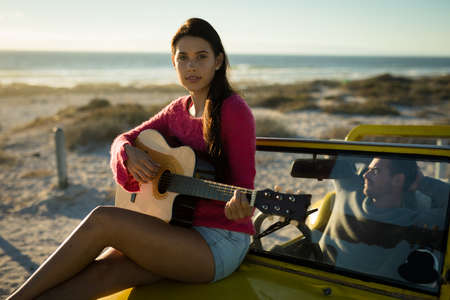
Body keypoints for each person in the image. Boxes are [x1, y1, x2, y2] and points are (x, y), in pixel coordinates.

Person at [8, 18, 256, 300]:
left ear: (218, 61)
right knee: (101, 274)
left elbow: (243, 188)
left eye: (201, 57)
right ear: (173, 64)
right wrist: (129, 153)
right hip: (174, 229)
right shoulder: (176, 110)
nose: (192, 66)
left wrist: (239, 208)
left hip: (217, 241)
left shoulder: (234, 111)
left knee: (103, 220)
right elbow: (122, 139)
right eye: (183, 58)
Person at [318, 156, 448, 281]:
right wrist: (374, 155)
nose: (365, 175)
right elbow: (336, 157)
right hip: (316, 276)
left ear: (397, 180)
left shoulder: (414, 222)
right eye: (368, 170)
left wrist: (423, 183)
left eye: (375, 171)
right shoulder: (349, 190)